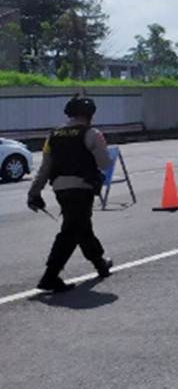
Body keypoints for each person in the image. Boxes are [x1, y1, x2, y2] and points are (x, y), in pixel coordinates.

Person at [26, 96, 113, 293]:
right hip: (82, 188)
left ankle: (100, 264)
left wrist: (34, 193)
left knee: (81, 226)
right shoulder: (92, 134)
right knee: (71, 231)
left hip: (60, 189)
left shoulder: (53, 135)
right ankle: (50, 276)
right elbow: (105, 164)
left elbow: (45, 168)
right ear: (90, 115)